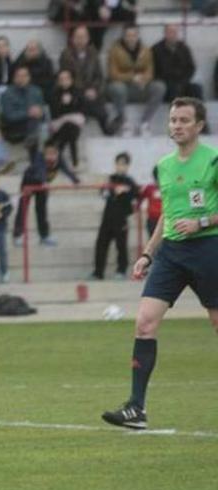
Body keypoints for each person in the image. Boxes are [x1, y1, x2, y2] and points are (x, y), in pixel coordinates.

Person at [101, 97, 218, 430]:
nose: (177, 125)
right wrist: (147, 254)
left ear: (199, 126)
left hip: (209, 248)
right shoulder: (165, 165)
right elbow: (168, 214)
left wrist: (204, 223)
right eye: (173, 120)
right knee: (145, 323)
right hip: (171, 254)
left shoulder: (213, 160)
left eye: (184, 120)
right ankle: (136, 409)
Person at [12, 142, 79, 247]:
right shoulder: (39, 157)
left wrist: (76, 180)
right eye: (47, 154)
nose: (50, 157)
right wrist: (43, 182)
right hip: (29, 181)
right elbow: (41, 170)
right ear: (44, 153)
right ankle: (17, 236)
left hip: (43, 185)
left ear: (57, 153)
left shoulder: (60, 159)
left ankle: (44, 236)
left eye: (53, 154)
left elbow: (66, 170)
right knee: (23, 209)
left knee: (42, 210)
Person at [106, 24, 166, 137]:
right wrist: (132, 78)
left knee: (159, 86)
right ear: (123, 36)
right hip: (123, 88)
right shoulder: (114, 50)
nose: (131, 38)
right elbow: (112, 74)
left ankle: (145, 122)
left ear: (138, 36)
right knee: (117, 87)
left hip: (140, 87)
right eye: (128, 35)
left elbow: (150, 71)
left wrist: (143, 79)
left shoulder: (146, 50)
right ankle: (124, 123)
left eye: (134, 35)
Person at [59, 25, 115, 135]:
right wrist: (84, 90)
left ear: (88, 38)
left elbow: (99, 76)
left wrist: (93, 89)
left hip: (91, 90)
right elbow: (65, 77)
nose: (80, 40)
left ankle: (97, 118)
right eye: (78, 37)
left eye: (83, 37)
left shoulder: (93, 53)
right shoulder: (66, 55)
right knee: (81, 98)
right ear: (72, 38)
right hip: (74, 89)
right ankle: (104, 125)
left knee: (98, 95)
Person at [91, 152, 139, 280]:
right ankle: (98, 272)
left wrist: (126, 190)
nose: (120, 167)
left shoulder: (130, 182)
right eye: (118, 164)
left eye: (123, 164)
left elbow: (135, 194)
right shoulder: (110, 179)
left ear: (128, 166)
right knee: (101, 244)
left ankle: (121, 271)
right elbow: (103, 193)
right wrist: (108, 189)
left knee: (121, 245)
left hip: (121, 219)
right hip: (107, 217)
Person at [151, 24, 202, 102]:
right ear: (165, 33)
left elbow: (191, 67)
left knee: (196, 88)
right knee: (174, 90)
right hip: (166, 83)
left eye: (174, 32)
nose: (172, 34)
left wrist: (184, 81)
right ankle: (174, 113)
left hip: (182, 81)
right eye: (170, 32)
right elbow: (154, 70)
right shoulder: (156, 49)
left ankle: (199, 113)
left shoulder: (184, 48)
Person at [48, 70, 86, 168]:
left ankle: (59, 152)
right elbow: (55, 112)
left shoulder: (78, 91)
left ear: (71, 80)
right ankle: (75, 161)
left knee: (69, 129)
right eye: (61, 79)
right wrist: (62, 104)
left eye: (66, 78)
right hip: (60, 124)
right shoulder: (54, 93)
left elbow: (82, 108)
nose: (64, 81)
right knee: (69, 129)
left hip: (74, 123)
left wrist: (71, 102)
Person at [0, 66, 45, 147]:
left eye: (25, 76)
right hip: (15, 127)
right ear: (14, 78)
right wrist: (28, 113)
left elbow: (42, 111)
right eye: (19, 76)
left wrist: (40, 113)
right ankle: (32, 138)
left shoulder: (36, 91)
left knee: (36, 123)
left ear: (29, 77)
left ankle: (32, 138)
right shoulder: (7, 94)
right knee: (33, 123)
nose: (22, 78)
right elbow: (9, 116)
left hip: (33, 125)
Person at [139, 166, 162, 237]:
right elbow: (140, 197)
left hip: (165, 220)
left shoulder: (168, 188)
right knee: (152, 240)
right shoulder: (149, 188)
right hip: (152, 220)